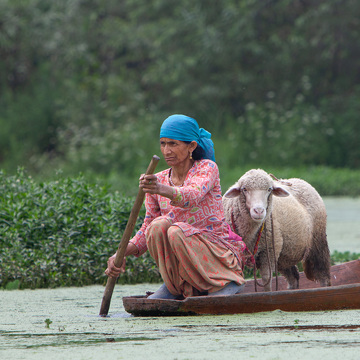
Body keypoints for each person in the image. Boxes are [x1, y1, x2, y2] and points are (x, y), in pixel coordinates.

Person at [105, 114, 247, 299]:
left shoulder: (207, 168)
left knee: (176, 231)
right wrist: (121, 253)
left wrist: (160, 188)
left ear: (192, 146)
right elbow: (148, 225)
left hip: (216, 256)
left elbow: (191, 195)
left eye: (173, 144)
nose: (166, 150)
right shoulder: (160, 179)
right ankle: (177, 285)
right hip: (181, 260)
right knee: (157, 226)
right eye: (163, 143)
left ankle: (225, 282)